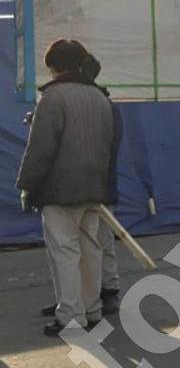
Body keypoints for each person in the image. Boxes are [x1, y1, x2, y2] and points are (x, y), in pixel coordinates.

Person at [17, 39, 114, 336]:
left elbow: (40, 149)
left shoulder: (53, 98)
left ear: (53, 67)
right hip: (94, 186)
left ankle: (71, 317)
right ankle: (92, 309)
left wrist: (28, 185)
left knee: (65, 252)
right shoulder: (100, 98)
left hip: (59, 188)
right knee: (91, 248)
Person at [38, 53, 123, 318]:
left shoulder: (94, 102)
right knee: (86, 246)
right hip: (92, 183)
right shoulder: (97, 101)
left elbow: (106, 146)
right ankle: (79, 302)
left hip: (86, 184)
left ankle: (99, 295)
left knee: (88, 244)